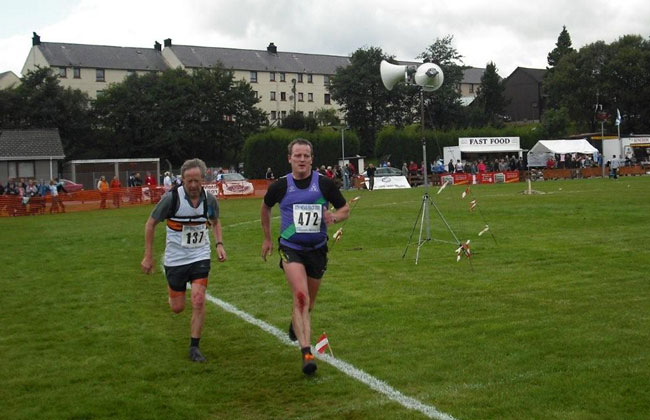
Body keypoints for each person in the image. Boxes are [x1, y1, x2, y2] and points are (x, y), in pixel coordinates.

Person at [260, 139, 350, 375]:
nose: (302, 160)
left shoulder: (324, 184)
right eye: (297, 155)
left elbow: (345, 209)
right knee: (300, 297)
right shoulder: (280, 186)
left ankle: (295, 324)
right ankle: (307, 354)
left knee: (308, 302)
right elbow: (265, 207)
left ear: (312, 159)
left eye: (306, 156)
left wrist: (334, 217)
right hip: (291, 248)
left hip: (318, 249)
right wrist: (268, 238)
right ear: (289, 158)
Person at [141, 158, 227, 363]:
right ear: (183, 180)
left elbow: (215, 222)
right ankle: (173, 293)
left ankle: (194, 347)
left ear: (203, 179)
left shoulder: (209, 200)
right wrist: (148, 255)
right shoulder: (172, 199)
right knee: (177, 308)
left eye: (197, 180)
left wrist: (219, 244)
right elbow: (150, 224)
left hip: (200, 255)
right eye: (189, 181)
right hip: (176, 258)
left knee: (198, 299)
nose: (193, 185)